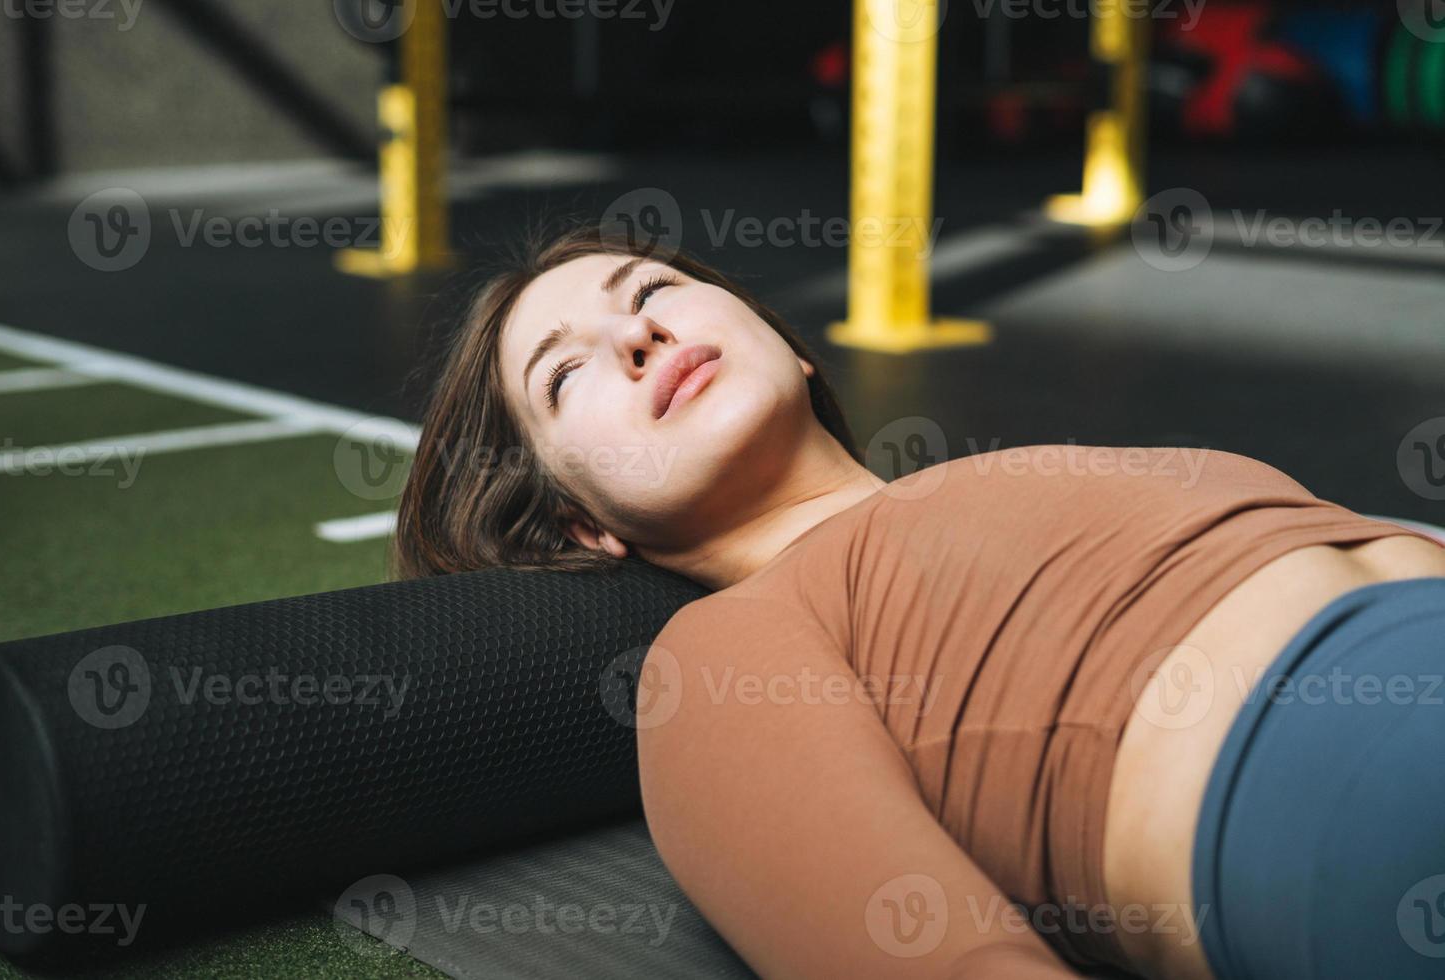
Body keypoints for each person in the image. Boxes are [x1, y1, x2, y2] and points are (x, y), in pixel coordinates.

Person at [393, 222, 1445, 980]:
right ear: (582, 526)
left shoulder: (1035, 471)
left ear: (791, 346)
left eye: (651, 290)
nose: (637, 336)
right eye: (565, 375)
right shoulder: (728, 647)